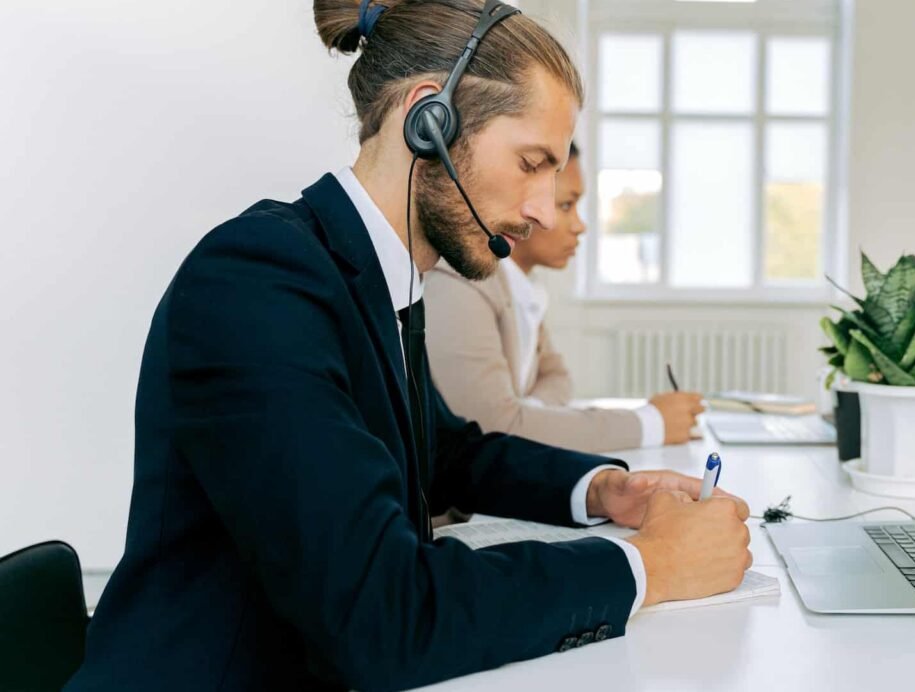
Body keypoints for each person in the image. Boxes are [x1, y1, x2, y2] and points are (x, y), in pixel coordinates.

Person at [65, 2, 751, 690]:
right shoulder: (258, 281)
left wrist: (606, 491)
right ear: (430, 120)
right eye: (531, 163)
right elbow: (382, 612)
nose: (544, 209)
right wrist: (649, 564)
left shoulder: (379, 277)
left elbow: (444, 451)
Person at [424, 143, 704, 453]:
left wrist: (526, 413)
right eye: (567, 205)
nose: (580, 226)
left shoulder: (519, 286)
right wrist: (651, 423)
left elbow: (557, 377)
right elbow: (494, 428)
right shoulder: (459, 283)